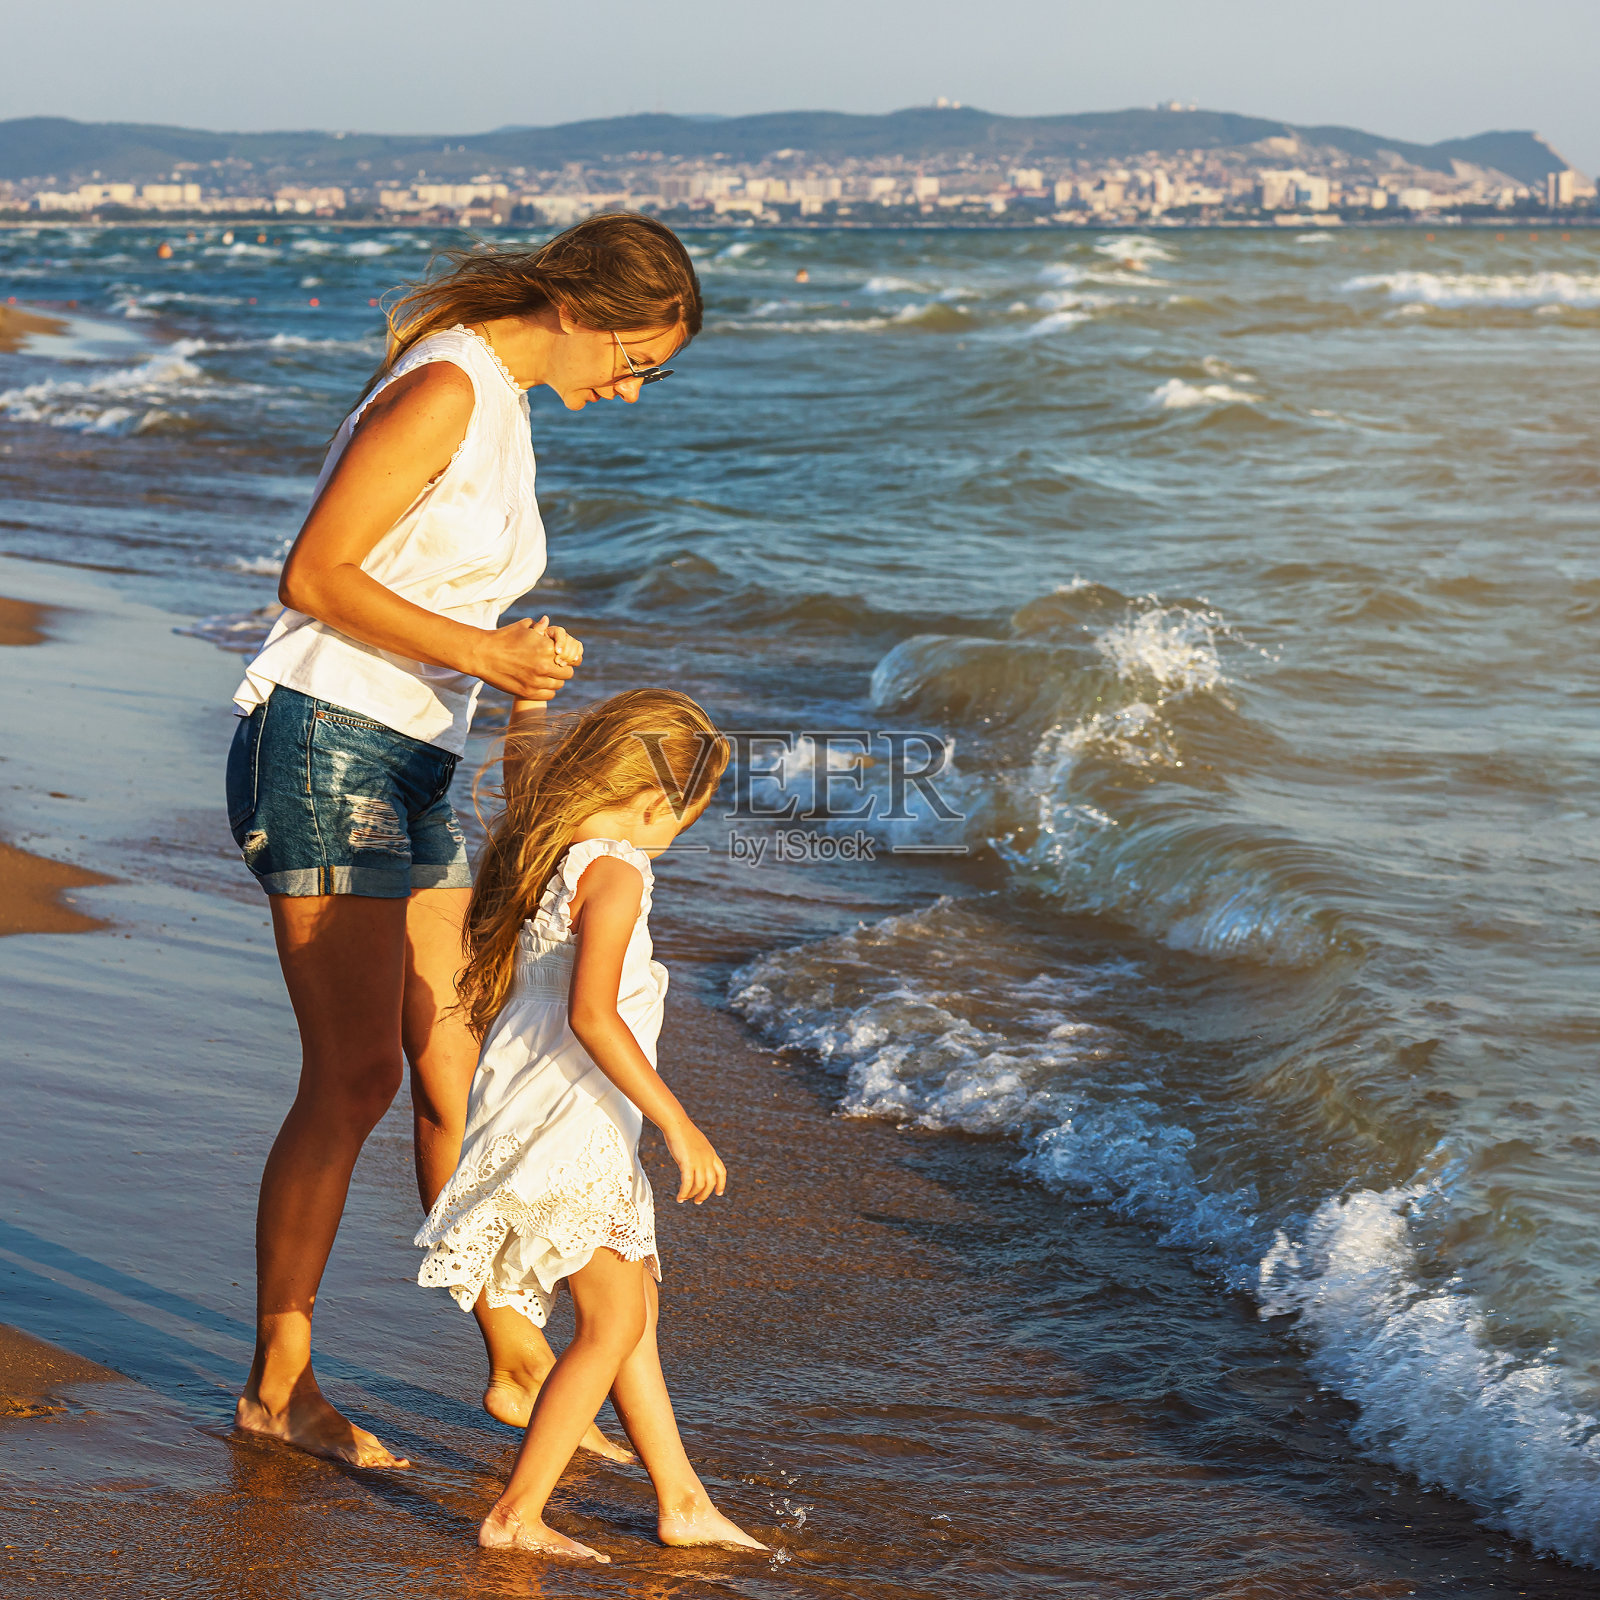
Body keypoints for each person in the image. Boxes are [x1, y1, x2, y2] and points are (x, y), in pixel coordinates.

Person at [224, 215, 703, 1468]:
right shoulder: (446, 385)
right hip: (329, 745)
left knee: (458, 1061)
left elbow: (420, 593)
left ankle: (513, 1357)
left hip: (410, 756)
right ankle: (282, 1384)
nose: (635, 387)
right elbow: (313, 574)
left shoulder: (499, 399)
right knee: (354, 1076)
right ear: (591, 312)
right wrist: (485, 650)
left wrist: (516, 675)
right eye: (641, 360)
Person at [416, 689, 765, 1560]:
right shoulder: (617, 869)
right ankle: (516, 1514)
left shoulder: (555, 840)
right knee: (611, 1324)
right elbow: (594, 1015)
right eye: (685, 818)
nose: (677, 835)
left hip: (551, 1105)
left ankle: (682, 1499)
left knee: (633, 1303)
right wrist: (681, 1124)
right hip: (567, 1119)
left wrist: (528, 703)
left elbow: (523, 766)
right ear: (654, 802)